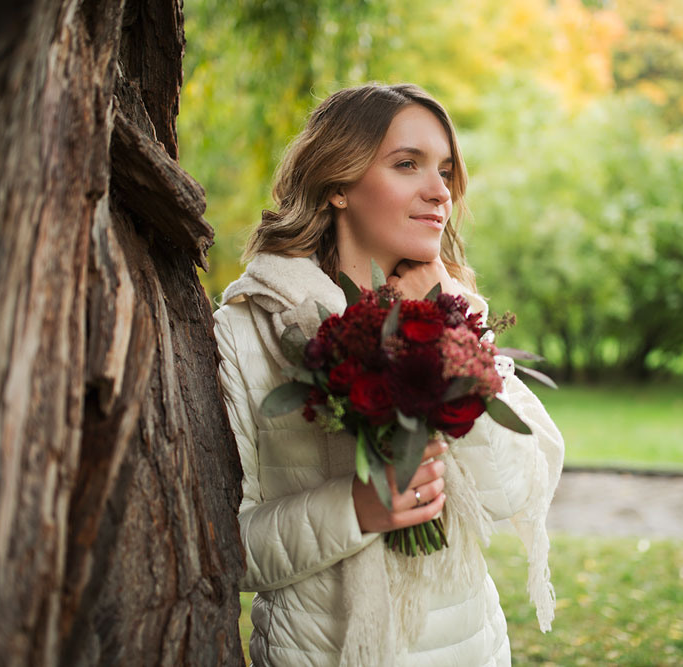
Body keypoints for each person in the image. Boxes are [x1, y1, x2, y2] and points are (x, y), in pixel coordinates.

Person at [213, 83, 564, 666]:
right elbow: (227, 550)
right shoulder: (251, 329)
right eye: (408, 165)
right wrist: (355, 509)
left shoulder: (458, 309)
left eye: (446, 171)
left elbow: (512, 493)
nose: (440, 191)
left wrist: (452, 337)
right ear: (338, 185)